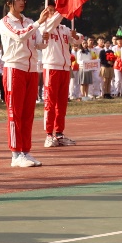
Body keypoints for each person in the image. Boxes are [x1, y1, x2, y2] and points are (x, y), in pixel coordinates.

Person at [0, 0, 54, 167]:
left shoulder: (28, 21)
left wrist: (44, 39)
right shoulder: (5, 22)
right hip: (14, 68)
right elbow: (20, 36)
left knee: (28, 113)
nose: (22, 2)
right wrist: (39, 23)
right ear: (9, 3)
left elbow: (39, 44)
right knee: (15, 113)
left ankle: (25, 151)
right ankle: (15, 153)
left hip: (31, 70)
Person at [41, 13, 75, 147]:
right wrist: (62, 11)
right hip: (52, 67)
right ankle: (49, 134)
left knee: (62, 104)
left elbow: (76, 40)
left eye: (54, 11)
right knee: (50, 102)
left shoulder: (64, 29)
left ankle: (59, 133)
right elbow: (47, 27)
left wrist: (76, 36)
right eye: (49, 11)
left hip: (65, 68)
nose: (53, 14)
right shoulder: (44, 27)